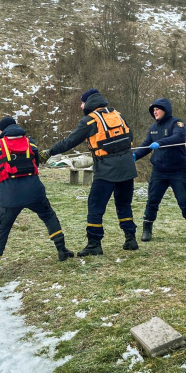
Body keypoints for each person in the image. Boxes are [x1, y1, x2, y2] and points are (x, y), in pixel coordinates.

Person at [0, 116, 73, 282]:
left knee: (2, 228)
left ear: (3, 130)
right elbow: (36, 159)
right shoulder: (31, 142)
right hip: (34, 191)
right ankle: (62, 250)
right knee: (48, 216)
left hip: (10, 195)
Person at [39, 89, 138, 256]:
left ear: (89, 102)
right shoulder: (117, 115)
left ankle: (94, 244)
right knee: (123, 204)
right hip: (127, 168)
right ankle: (131, 239)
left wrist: (49, 152)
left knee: (95, 206)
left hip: (106, 170)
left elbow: (69, 141)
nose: (80, 105)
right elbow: (130, 137)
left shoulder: (90, 121)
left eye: (82, 102)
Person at [134, 98, 186, 242]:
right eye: (153, 110)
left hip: (178, 170)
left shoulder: (177, 123)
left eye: (157, 109)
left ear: (165, 110)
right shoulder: (153, 128)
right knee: (152, 200)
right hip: (159, 171)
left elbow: (178, 137)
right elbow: (146, 145)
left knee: (184, 200)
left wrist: (160, 142)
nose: (155, 112)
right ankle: (147, 229)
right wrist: (134, 156)